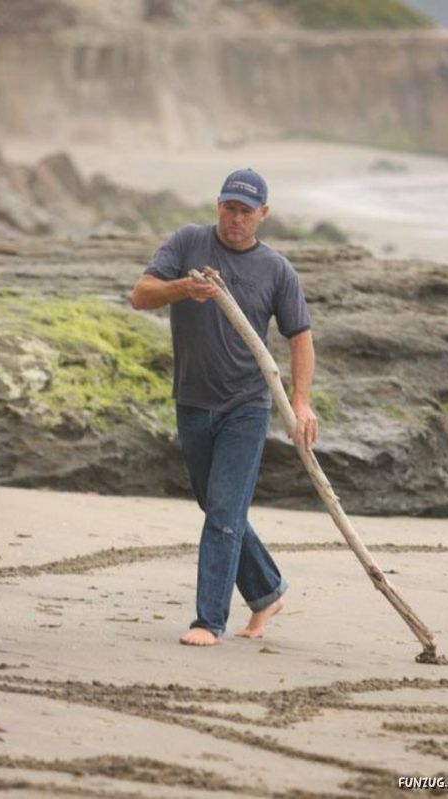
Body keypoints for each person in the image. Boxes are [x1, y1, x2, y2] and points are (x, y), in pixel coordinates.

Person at [131, 168, 318, 647]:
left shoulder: (277, 270)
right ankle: (267, 592)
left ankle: (208, 621)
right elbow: (140, 295)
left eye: (246, 212)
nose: (236, 219)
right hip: (192, 400)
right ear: (218, 205)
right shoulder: (187, 243)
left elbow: (300, 337)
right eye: (230, 208)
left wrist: (301, 402)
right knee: (217, 505)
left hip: (246, 406)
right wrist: (183, 288)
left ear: (263, 214)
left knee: (223, 512)